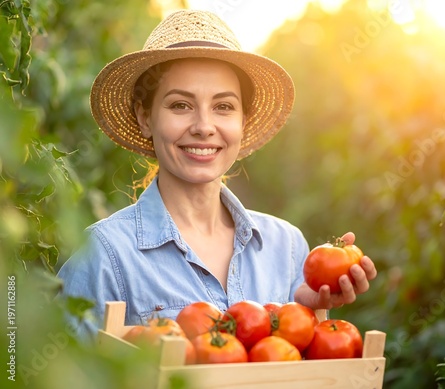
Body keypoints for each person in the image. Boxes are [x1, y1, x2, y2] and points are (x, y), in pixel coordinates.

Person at [57, 9, 377, 342]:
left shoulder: (288, 247)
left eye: (223, 107)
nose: (203, 127)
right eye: (180, 105)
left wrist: (313, 312)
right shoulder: (103, 256)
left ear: (243, 121)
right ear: (145, 117)